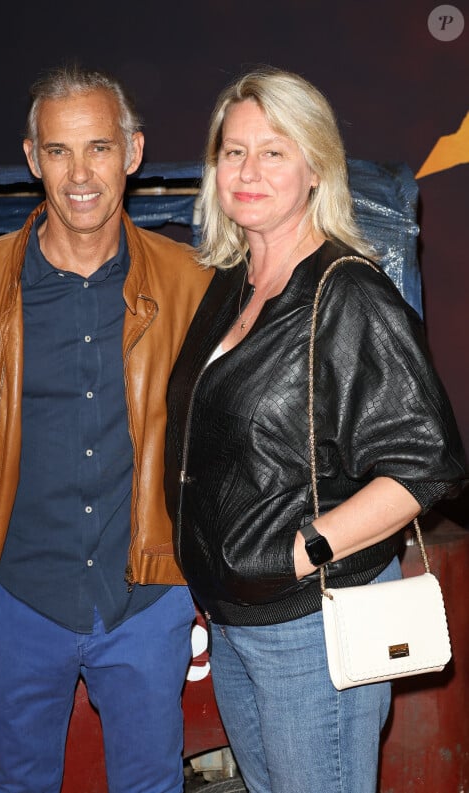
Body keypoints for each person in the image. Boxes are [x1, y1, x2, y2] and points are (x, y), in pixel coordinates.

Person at [0, 64, 212, 793]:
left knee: (152, 786)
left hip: (146, 600)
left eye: (100, 148)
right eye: (58, 150)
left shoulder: (190, 282)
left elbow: (219, 444)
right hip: (13, 602)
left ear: (133, 152)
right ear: (31, 157)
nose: (80, 173)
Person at [164, 67, 467, 793]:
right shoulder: (231, 283)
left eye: (274, 150)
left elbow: (428, 465)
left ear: (315, 168)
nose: (249, 169)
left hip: (311, 625)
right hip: (237, 619)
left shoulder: (348, 291)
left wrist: (302, 551)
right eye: (233, 151)